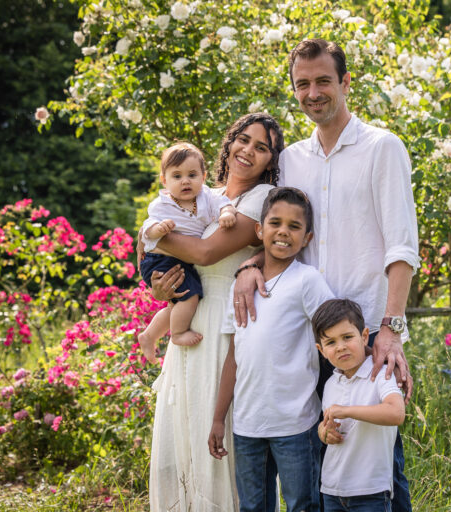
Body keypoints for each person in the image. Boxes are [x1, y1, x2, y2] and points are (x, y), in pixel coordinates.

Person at [233, 39, 419, 511]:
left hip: (367, 332)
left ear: (345, 82)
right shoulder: (291, 159)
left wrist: (391, 332)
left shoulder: (382, 147)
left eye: (323, 81)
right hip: (307, 332)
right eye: (302, 84)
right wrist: (251, 264)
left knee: (379, 465)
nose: (313, 92)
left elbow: (402, 245)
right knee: (325, 460)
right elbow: (279, 229)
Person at [144, 113, 285, 512]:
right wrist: (161, 286)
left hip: (226, 322)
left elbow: (205, 253)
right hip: (191, 314)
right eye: (243, 140)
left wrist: (151, 240)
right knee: (183, 425)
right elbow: (174, 257)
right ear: (229, 143)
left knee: (217, 426)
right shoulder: (204, 194)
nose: (248, 151)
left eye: (261, 147)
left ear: (271, 160)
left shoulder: (261, 200)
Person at [208, 187, 334, 512]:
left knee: (303, 506)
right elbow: (234, 358)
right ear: (259, 230)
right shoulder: (241, 288)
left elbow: (334, 336)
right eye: (275, 223)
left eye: (294, 227)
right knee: (253, 507)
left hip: (296, 424)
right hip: (247, 424)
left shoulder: (307, 281)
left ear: (307, 238)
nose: (283, 231)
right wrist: (219, 418)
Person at [138, 142, 238, 361]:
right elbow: (146, 229)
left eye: (192, 175)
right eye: (177, 176)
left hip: (181, 261)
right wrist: (158, 229)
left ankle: (149, 335)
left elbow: (224, 203)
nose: (185, 181)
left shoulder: (207, 197)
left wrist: (226, 214)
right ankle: (178, 333)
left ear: (203, 177)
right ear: (164, 180)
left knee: (179, 301)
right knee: (189, 297)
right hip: (159, 260)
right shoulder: (161, 204)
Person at [313, 299, 405, 512]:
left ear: (364, 336)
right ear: (321, 350)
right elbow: (328, 425)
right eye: (331, 342)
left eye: (347, 337)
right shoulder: (330, 384)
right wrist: (323, 432)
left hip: (370, 491)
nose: (341, 347)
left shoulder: (381, 374)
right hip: (332, 490)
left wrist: (346, 411)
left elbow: (396, 413)